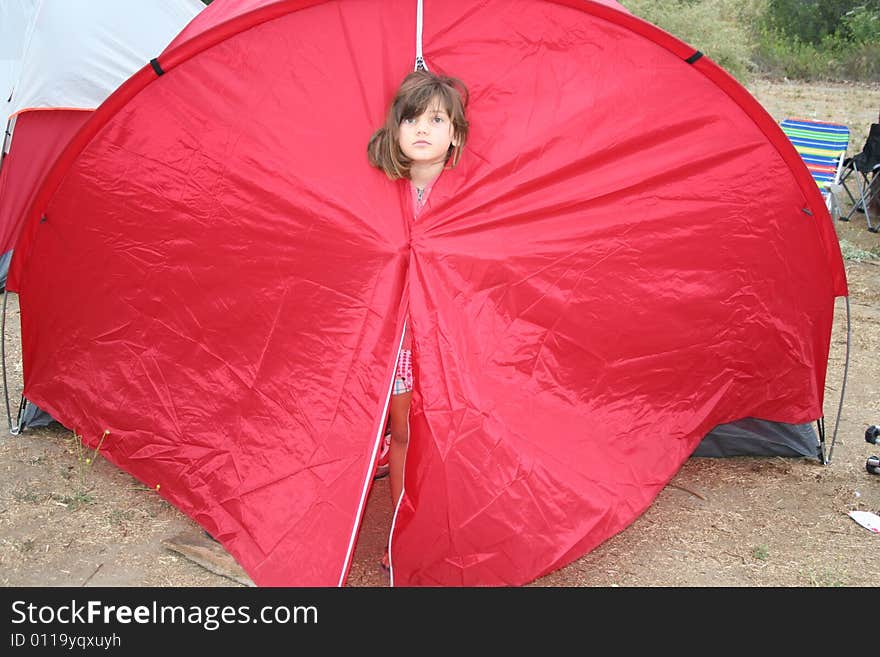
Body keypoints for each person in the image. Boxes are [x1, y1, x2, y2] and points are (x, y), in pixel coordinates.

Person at [367, 69, 469, 571]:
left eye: (436, 119)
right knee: (404, 431)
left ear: (455, 133)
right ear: (395, 130)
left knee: (446, 433)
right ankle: (400, 532)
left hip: (448, 340)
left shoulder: (469, 194)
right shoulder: (381, 193)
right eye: (411, 118)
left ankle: (438, 526)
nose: (422, 128)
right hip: (396, 338)